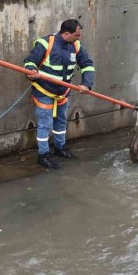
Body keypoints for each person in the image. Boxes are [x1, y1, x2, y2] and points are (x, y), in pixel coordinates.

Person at [23, 19, 95, 170]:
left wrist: (86, 83)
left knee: (61, 121)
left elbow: (87, 65)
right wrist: (31, 71)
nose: (79, 37)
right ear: (67, 34)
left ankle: (60, 148)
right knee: (45, 124)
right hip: (44, 91)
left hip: (63, 92)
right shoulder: (45, 43)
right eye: (77, 35)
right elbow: (30, 62)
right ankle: (43, 155)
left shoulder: (76, 45)